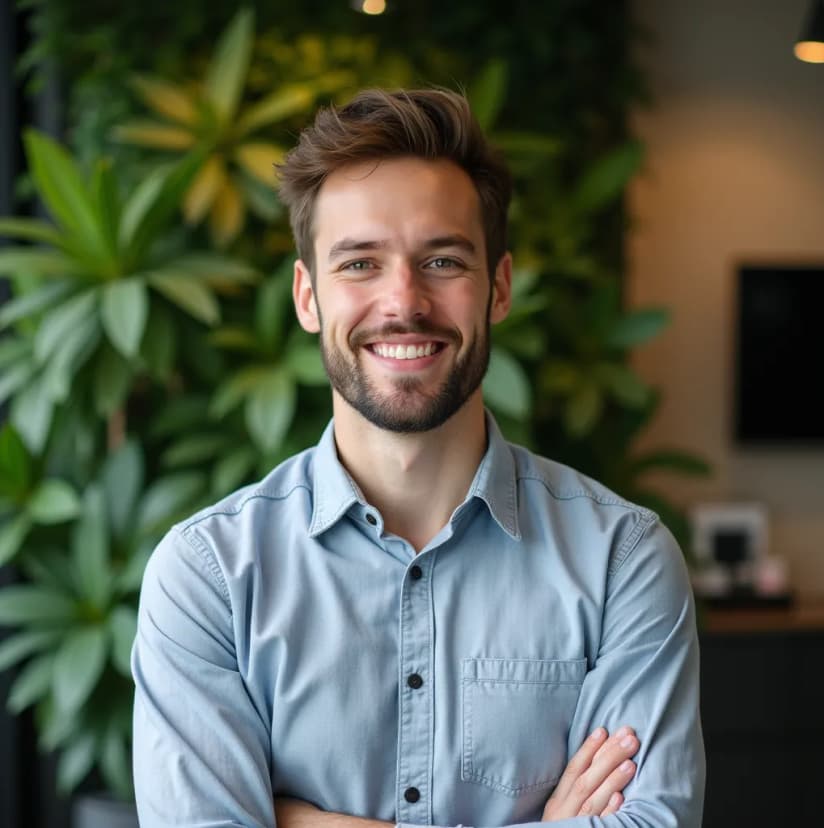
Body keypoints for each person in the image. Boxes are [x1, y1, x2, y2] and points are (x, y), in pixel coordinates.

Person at [132, 88, 705, 828]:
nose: (403, 301)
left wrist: (298, 821)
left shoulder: (622, 559)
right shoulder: (207, 575)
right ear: (308, 297)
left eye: (441, 260)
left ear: (497, 288)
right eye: (361, 264)